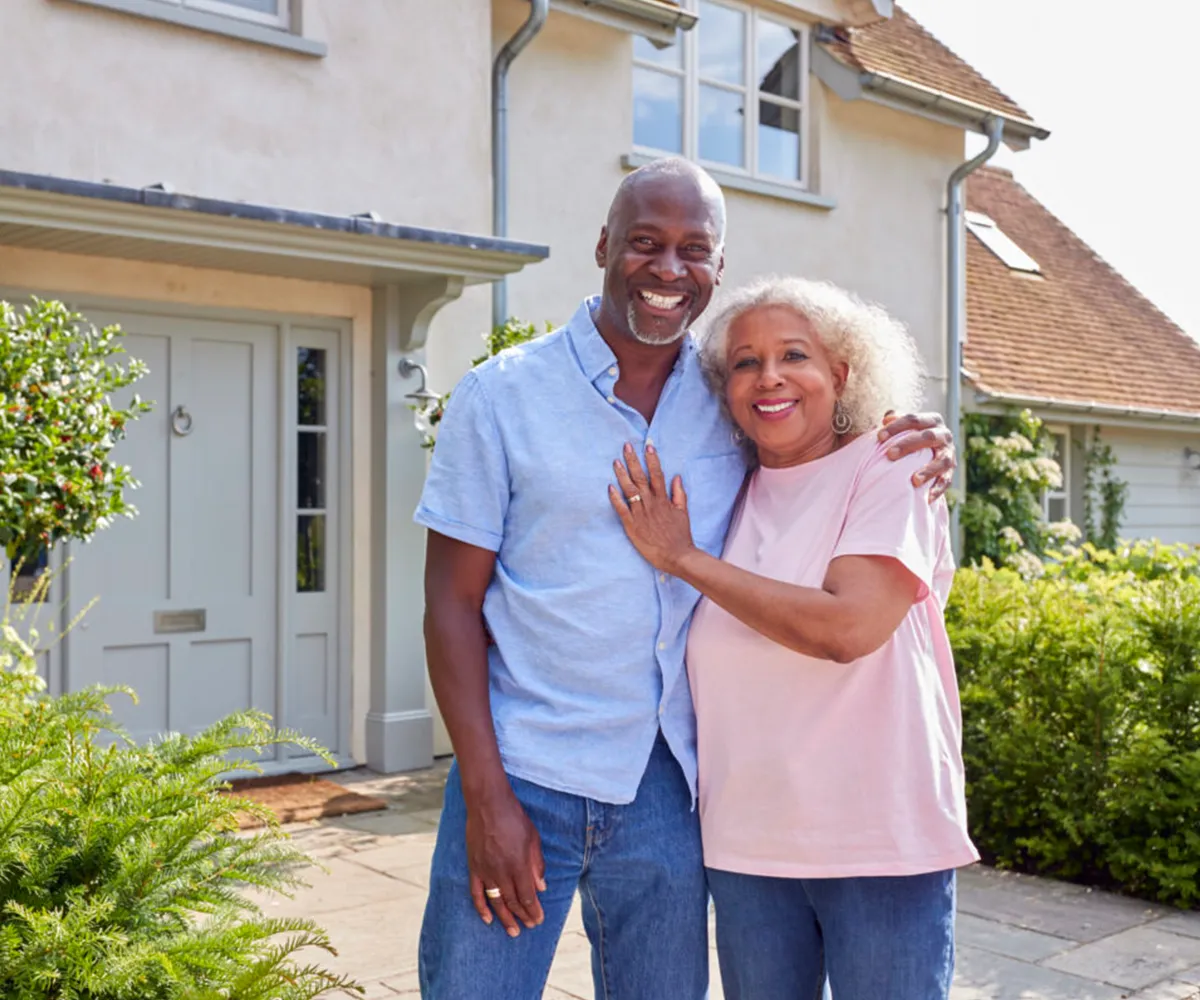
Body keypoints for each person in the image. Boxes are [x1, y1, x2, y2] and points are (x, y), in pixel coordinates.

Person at [414, 158, 957, 999]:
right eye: (646, 243)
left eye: (693, 250)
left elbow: (821, 443)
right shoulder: (500, 397)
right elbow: (450, 606)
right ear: (603, 246)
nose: (669, 270)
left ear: (717, 267)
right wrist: (485, 795)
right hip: (525, 770)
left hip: (670, 789)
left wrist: (915, 430)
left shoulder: (730, 399)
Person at [608, 275, 979, 1000]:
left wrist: (685, 559)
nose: (769, 377)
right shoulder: (729, 489)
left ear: (841, 374)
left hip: (878, 838)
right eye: (745, 362)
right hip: (747, 846)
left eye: (794, 356)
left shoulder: (892, 462)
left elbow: (847, 628)